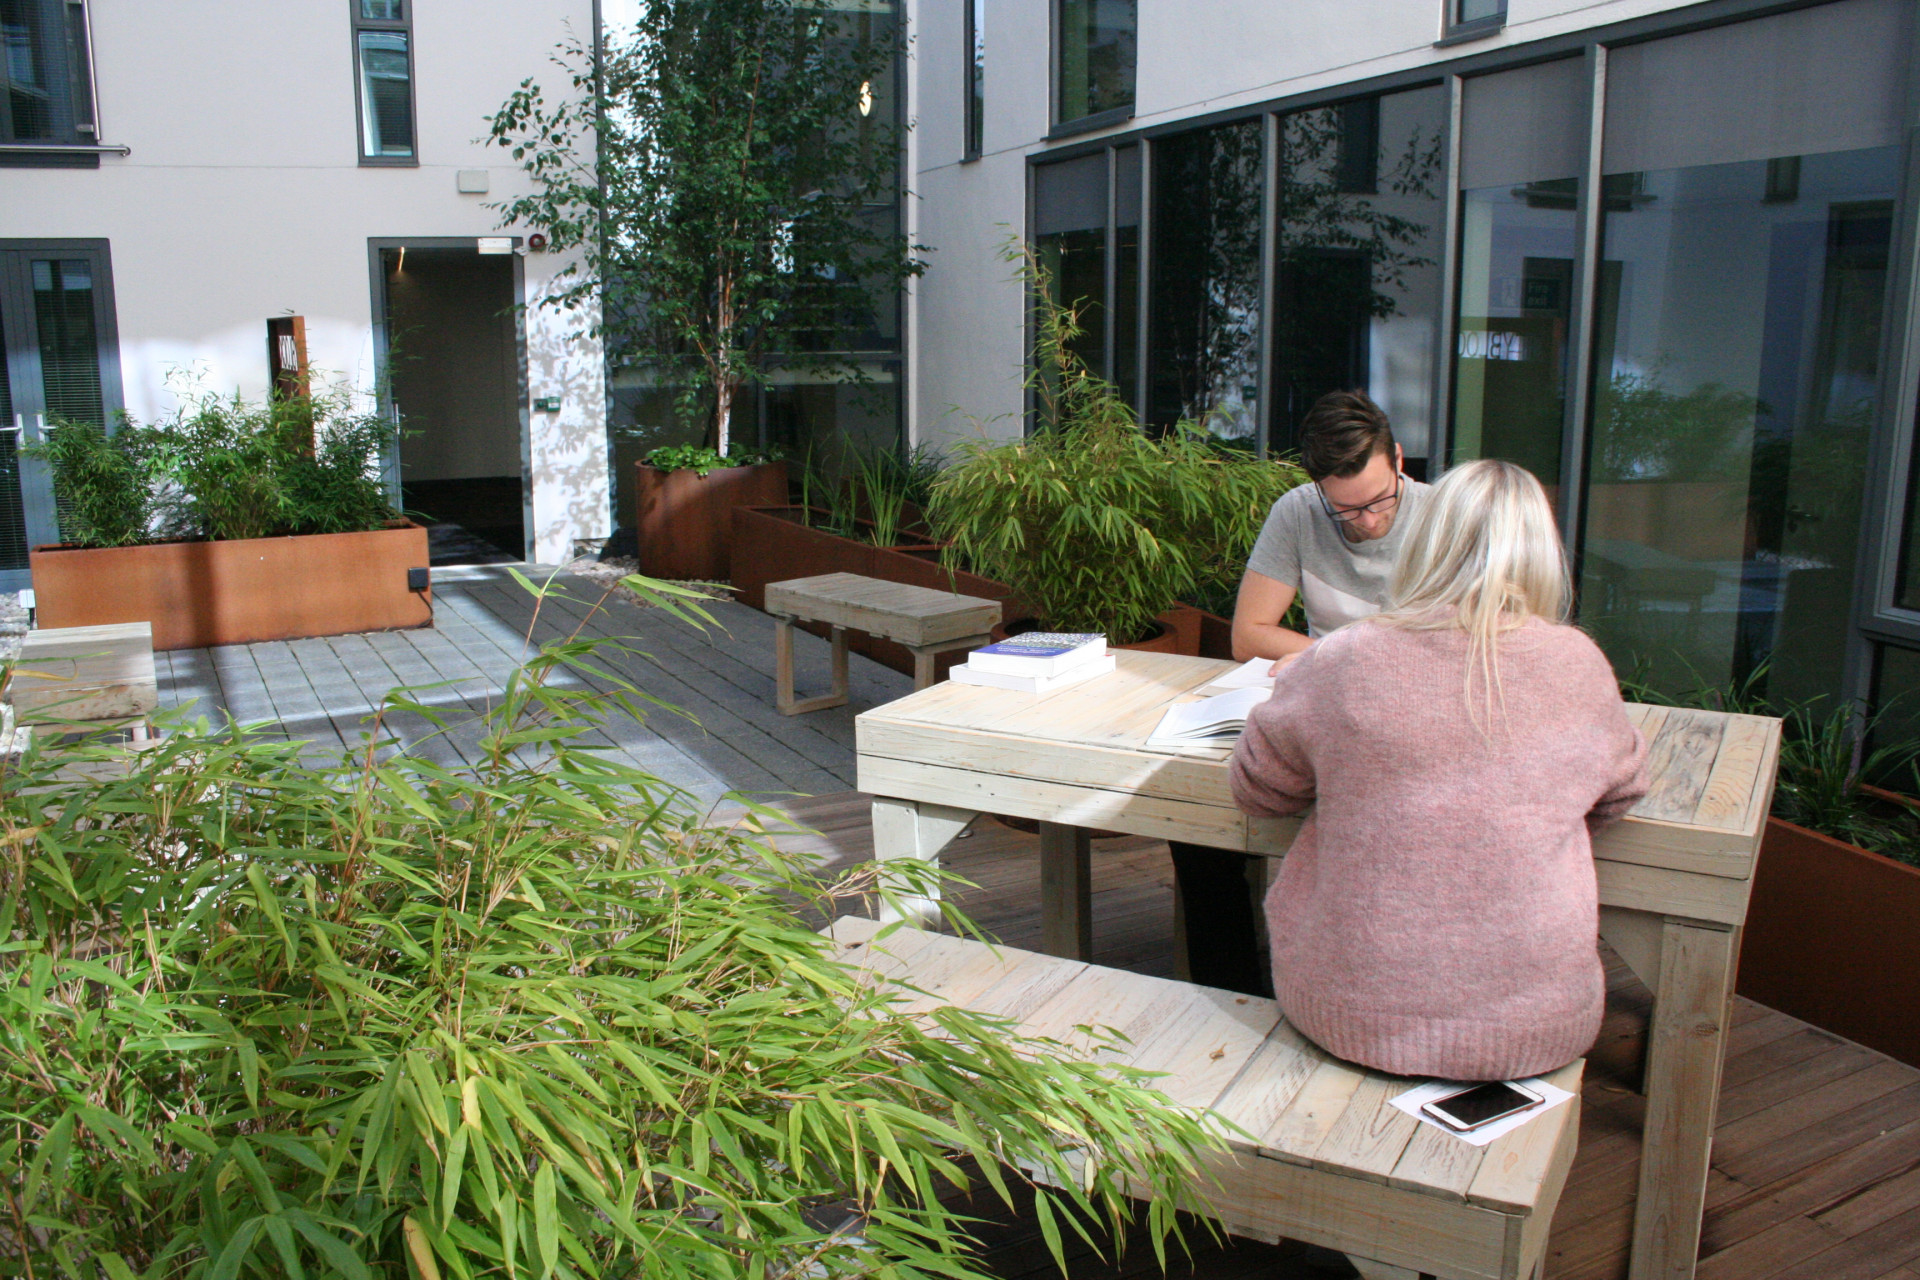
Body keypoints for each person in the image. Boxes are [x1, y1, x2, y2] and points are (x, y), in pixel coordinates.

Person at [1228, 459, 1649, 1080]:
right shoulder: (1578, 663)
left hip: (1347, 1010)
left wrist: (1294, 704)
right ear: (1543, 552)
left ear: (1429, 540)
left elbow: (1258, 791)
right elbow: (1622, 793)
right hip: (1539, 1026)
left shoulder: (1347, 656)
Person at [1168, 389, 1430, 996]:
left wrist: (1341, 653)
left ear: (1399, 461)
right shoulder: (1298, 512)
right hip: (1322, 712)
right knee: (1199, 813)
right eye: (1346, 511)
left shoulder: (1443, 518)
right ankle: (1233, 992)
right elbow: (1248, 635)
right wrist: (1334, 658)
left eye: (1378, 502)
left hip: (1408, 723)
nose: (1366, 522)